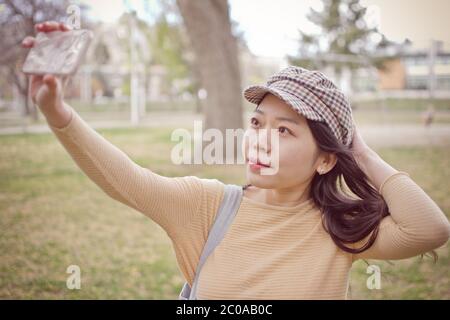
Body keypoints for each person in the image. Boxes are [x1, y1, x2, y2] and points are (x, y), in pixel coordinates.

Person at [22, 21, 450, 300]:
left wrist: (359, 151)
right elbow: (126, 180)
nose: (261, 141)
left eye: (284, 130)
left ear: (324, 160)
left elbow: (430, 228)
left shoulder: (341, 229)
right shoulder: (207, 206)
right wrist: (58, 113)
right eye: (258, 124)